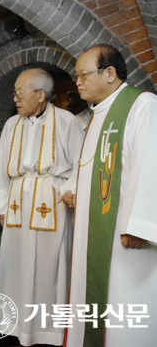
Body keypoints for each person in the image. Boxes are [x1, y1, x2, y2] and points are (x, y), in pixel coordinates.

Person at [64, 45, 157, 347]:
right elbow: (95, 169)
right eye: (76, 76)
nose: (77, 82)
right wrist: (75, 191)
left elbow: (150, 164)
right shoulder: (96, 116)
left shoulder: (142, 104)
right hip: (93, 232)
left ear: (110, 73)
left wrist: (140, 224)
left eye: (83, 74)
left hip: (124, 234)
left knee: (124, 313)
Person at [0, 68, 84, 347]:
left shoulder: (67, 121)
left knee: (48, 269)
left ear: (40, 95)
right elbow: (0, 170)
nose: (15, 98)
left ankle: (47, 334)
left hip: (51, 203)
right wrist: (1, 205)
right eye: (15, 93)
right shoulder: (11, 125)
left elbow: (80, 165)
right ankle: (10, 327)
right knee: (14, 266)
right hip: (18, 203)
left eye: (20, 92)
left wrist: (69, 191)